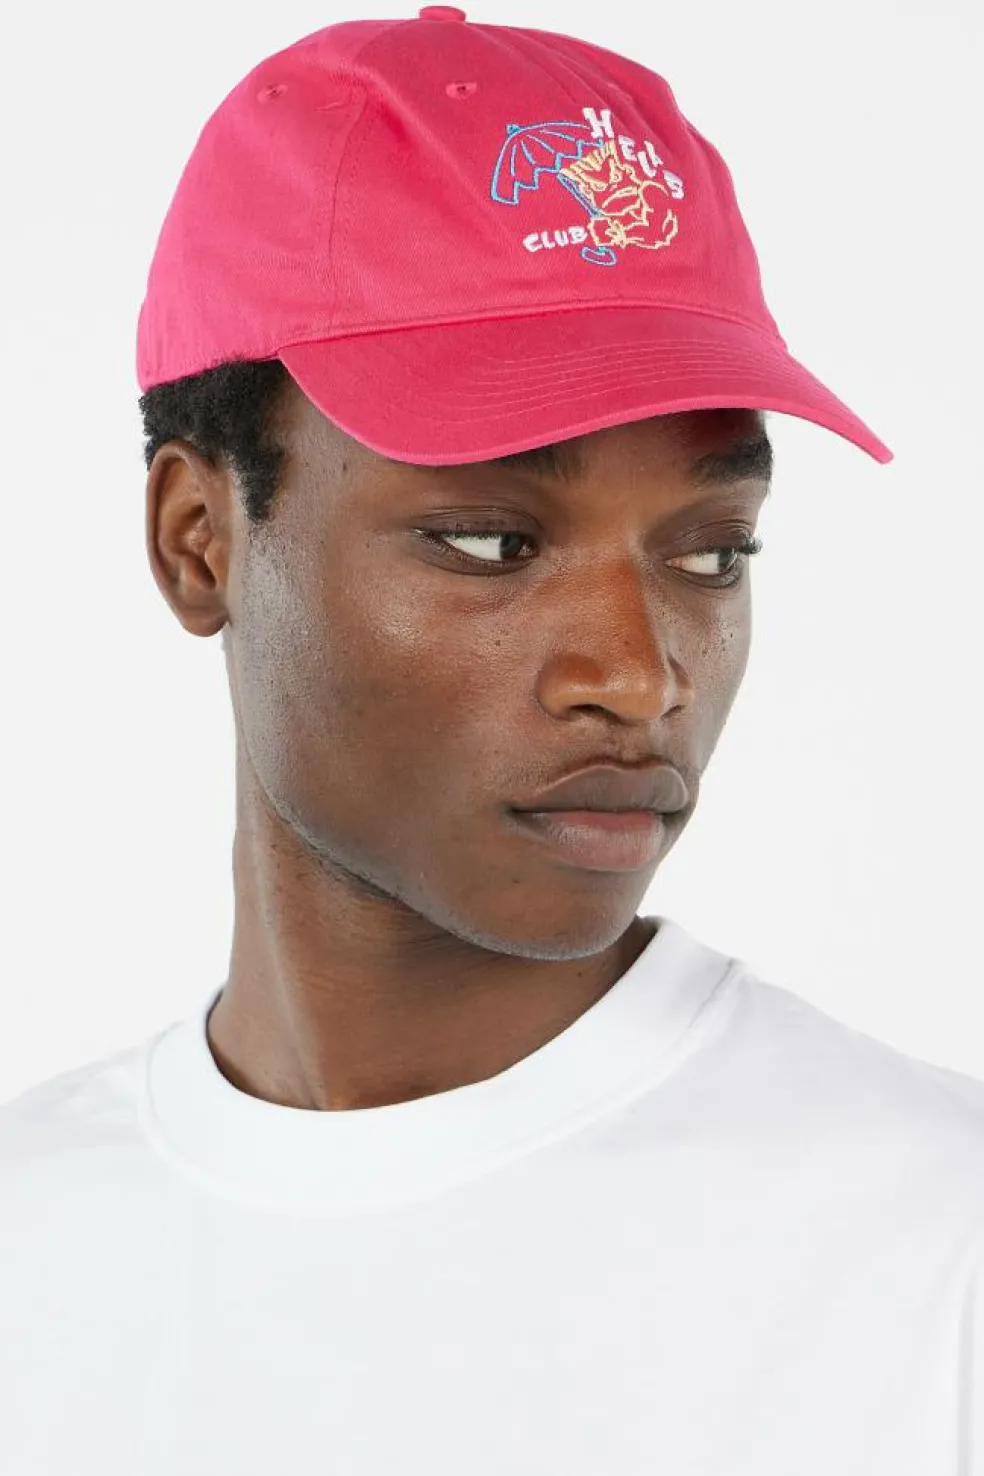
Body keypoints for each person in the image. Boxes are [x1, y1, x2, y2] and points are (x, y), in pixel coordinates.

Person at [2, 8, 981, 1473]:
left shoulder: (939, 1256)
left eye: (711, 553)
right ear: (200, 538)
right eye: (489, 541)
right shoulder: (32, 1256)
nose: (637, 677)